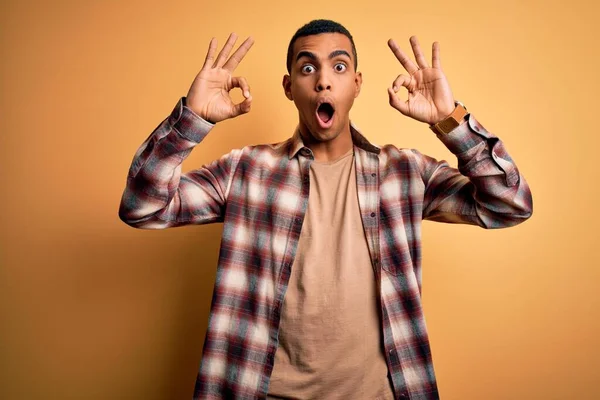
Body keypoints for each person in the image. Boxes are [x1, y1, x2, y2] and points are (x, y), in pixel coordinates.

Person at [118, 19, 532, 400]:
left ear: (356, 83)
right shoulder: (245, 170)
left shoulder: (404, 173)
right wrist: (191, 120)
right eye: (307, 68)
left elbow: (509, 205)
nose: (323, 83)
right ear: (288, 86)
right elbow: (143, 206)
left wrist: (450, 119)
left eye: (338, 67)